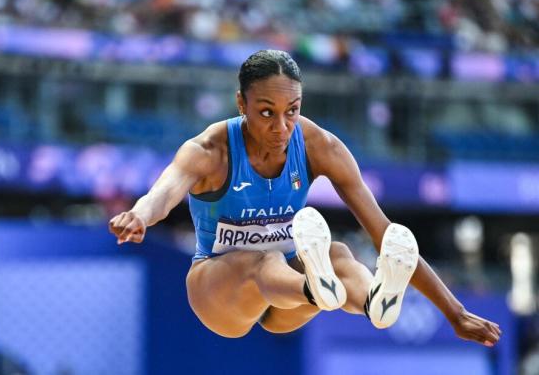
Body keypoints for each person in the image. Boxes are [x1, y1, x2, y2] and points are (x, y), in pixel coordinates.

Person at [108, 49, 502, 345]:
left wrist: (455, 312)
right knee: (262, 260)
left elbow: (388, 236)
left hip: (288, 294)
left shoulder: (320, 146)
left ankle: (372, 302)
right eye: (266, 113)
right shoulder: (210, 150)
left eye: (292, 111)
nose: (281, 127)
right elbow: (164, 192)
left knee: (339, 254)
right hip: (221, 293)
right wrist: (140, 215)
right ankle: (319, 289)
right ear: (241, 103)